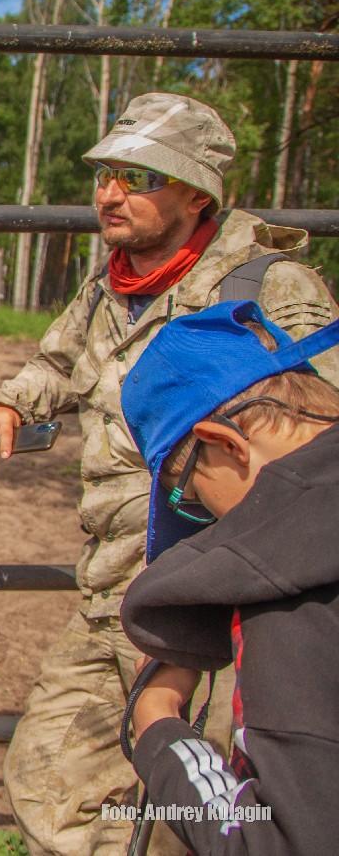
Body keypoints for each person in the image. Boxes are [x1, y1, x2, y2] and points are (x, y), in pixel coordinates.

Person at [0, 92, 339, 854]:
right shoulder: (110, 286)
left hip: (226, 596)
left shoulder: (266, 288)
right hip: (115, 583)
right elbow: (59, 362)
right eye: (105, 175)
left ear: (195, 191)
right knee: (49, 775)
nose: (109, 193)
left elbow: (321, 434)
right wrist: (9, 400)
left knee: (214, 813)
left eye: (137, 177)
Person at [119, 300, 339, 853]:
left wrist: (159, 727)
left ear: (226, 445)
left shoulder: (293, 601)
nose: (206, 523)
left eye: (188, 497)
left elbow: (278, 842)